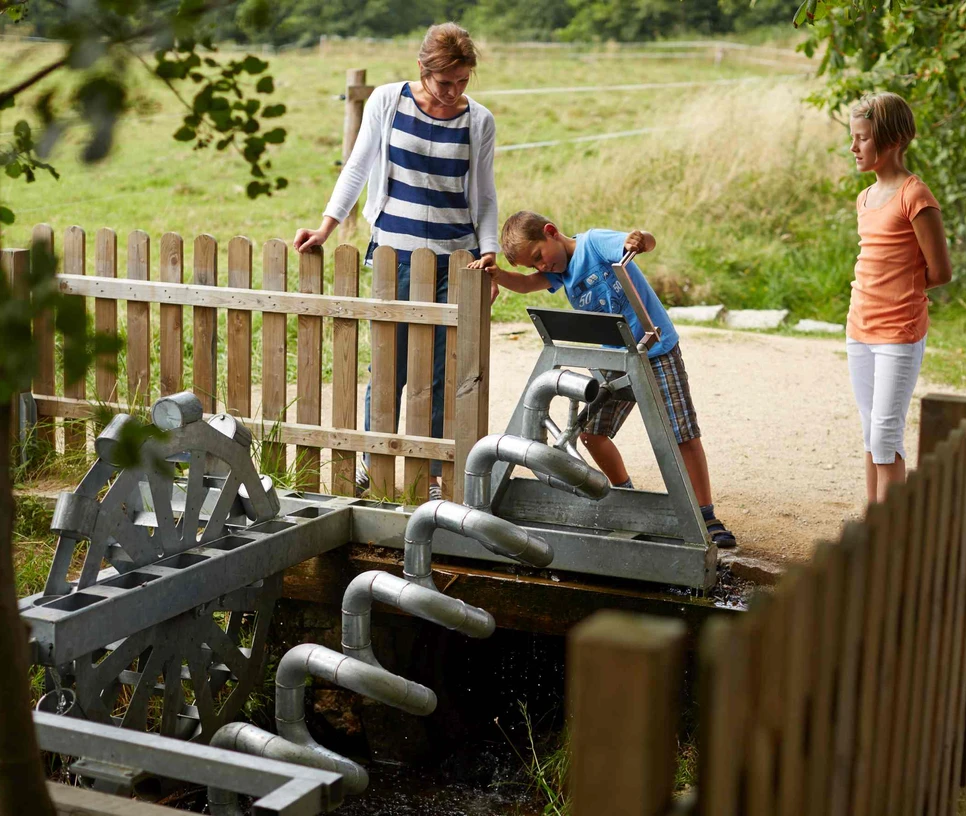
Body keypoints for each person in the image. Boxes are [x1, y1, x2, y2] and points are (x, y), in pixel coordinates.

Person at [293, 22, 499, 501]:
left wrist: (489, 251)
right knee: (390, 366)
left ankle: (434, 475)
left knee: (445, 373)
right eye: (445, 81)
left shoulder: (479, 120)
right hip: (395, 256)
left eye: (462, 81)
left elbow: (486, 194)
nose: (453, 91)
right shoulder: (387, 101)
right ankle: (374, 463)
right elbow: (358, 166)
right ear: (422, 68)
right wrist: (326, 227)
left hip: (458, 260)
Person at [487, 211, 737, 549]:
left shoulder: (594, 243)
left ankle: (706, 516)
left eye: (539, 256)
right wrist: (497, 274)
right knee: (591, 433)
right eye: (534, 265)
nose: (541, 267)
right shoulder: (558, 273)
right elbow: (526, 284)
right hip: (616, 359)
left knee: (682, 434)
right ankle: (625, 496)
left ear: (551, 232)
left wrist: (640, 239)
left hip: (656, 350)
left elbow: (642, 242)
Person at [846, 92, 953, 503]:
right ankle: (873, 526)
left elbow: (940, 271)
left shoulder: (915, 195)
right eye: (853, 138)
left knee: (885, 435)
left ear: (892, 141)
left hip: (899, 332)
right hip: (859, 328)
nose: (854, 147)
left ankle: (889, 535)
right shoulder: (865, 198)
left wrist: (896, 289)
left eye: (863, 138)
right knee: (870, 432)